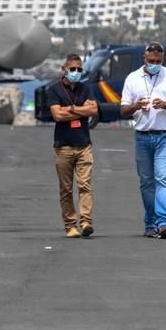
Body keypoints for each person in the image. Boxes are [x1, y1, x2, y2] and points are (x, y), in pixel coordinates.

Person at [120, 42, 166, 239]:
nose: (154, 64)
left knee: (163, 178)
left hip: (165, 135)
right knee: (147, 182)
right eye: (151, 61)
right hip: (142, 136)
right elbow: (123, 110)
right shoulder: (132, 79)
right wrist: (136, 106)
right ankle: (150, 223)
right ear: (144, 58)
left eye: (158, 61)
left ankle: (163, 221)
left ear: (163, 59)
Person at [46, 54, 99, 238]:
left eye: (79, 69)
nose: (76, 72)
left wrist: (71, 109)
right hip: (64, 146)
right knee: (66, 188)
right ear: (64, 69)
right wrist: (81, 111)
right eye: (73, 69)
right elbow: (57, 116)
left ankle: (86, 221)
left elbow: (93, 110)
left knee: (85, 185)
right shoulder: (53, 90)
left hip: (84, 144)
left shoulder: (86, 88)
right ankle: (70, 225)